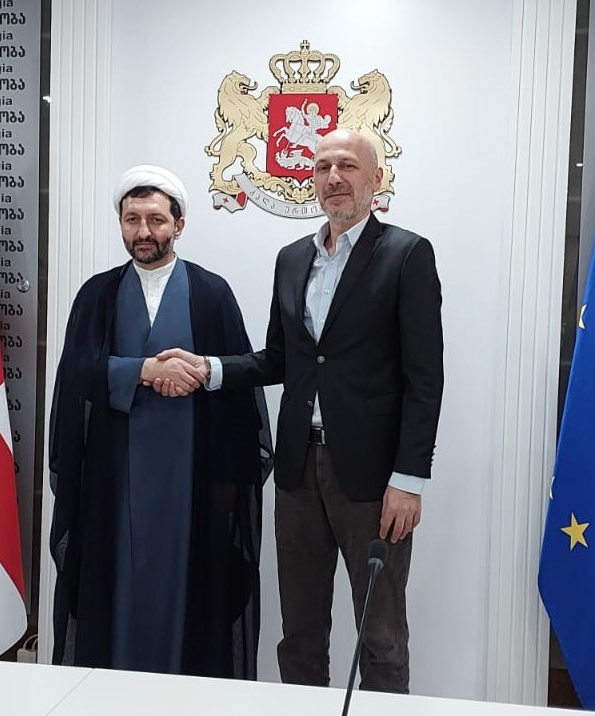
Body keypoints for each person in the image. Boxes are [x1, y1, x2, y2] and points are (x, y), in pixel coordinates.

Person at [156, 130, 443, 693]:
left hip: (373, 480)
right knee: (300, 634)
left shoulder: (407, 254)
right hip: (295, 473)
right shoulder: (292, 259)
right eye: (322, 167)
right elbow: (279, 359)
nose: (334, 178)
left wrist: (408, 480)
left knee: (381, 637)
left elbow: (424, 379)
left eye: (348, 166)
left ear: (376, 179)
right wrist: (209, 367)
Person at [48, 165, 273, 678]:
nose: (143, 231)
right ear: (121, 225)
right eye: (132, 220)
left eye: (155, 219)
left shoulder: (211, 293)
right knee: (114, 591)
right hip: (113, 480)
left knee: (191, 597)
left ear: (179, 225)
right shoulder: (97, 294)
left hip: (192, 482)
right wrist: (145, 371)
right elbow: (76, 375)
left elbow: (240, 385)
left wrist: (198, 373)